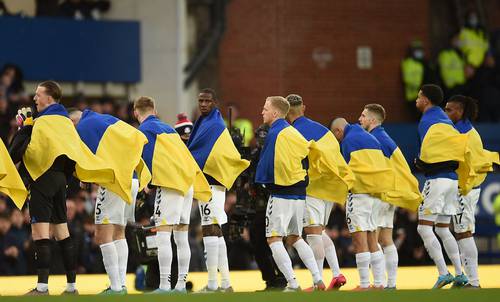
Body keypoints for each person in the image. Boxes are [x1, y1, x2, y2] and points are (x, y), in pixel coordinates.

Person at [9, 80, 114, 295]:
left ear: (49, 98)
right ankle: (72, 286)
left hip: (42, 179)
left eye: (38, 95)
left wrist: (24, 127)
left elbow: (18, 153)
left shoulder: (41, 123)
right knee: (62, 233)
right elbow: (73, 155)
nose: (34, 99)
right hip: (60, 182)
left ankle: (42, 286)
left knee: (40, 234)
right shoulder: (66, 123)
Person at [70, 108, 151, 294]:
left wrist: (84, 176)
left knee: (102, 234)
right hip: (131, 178)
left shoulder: (84, 126)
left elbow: (87, 158)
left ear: (73, 121)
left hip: (115, 182)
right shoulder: (104, 119)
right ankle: (120, 284)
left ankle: (115, 287)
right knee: (119, 232)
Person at [134, 96, 211, 293]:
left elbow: (148, 155)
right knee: (181, 236)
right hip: (187, 183)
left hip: (169, 184)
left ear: (136, 113)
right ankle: (180, 286)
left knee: (163, 234)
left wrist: (149, 183)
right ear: (155, 110)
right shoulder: (168, 128)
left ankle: (164, 285)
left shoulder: (144, 130)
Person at [256, 96, 325, 292]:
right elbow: (306, 156)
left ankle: (293, 283)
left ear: (275, 113)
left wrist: (263, 183)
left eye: (265, 108)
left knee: (273, 239)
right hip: (299, 194)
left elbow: (268, 165)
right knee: (295, 237)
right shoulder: (293, 132)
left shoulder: (275, 133)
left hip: (281, 194)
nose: (262, 112)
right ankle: (317, 278)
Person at [286, 94, 354, 290]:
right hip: (330, 188)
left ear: (286, 112)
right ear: (304, 108)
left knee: (313, 234)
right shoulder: (322, 129)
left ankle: (318, 283)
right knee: (320, 232)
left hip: (312, 188)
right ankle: (336, 273)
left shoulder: (292, 132)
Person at [187, 88, 249, 292]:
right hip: (213, 183)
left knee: (209, 229)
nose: (203, 104)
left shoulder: (213, 124)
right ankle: (226, 283)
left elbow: (199, 153)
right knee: (216, 231)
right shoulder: (205, 122)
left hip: (211, 184)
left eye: (207, 101)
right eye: (200, 101)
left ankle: (213, 284)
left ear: (215, 103)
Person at [358, 104, 423, 289]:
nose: (360, 119)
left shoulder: (373, 140)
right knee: (386, 240)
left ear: (372, 120)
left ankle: (378, 283)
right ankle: (391, 283)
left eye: (363, 116)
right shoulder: (385, 137)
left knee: (373, 238)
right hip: (390, 195)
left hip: (380, 194)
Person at [414, 84, 468, 288]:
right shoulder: (446, 120)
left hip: (436, 180)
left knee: (423, 228)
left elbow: (429, 152)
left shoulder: (427, 120)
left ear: (426, 100)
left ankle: (443, 272)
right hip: (452, 181)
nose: (416, 100)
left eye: (419, 97)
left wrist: (420, 162)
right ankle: (460, 273)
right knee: (444, 229)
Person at [330, 117, 394, 290]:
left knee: (359, 240)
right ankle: (379, 283)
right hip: (376, 195)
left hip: (359, 195)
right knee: (373, 239)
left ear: (338, 131)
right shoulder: (370, 137)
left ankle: (365, 284)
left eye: (336, 137)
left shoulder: (348, 141)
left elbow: (346, 171)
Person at [444, 95, 499, 288]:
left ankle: (473, 282)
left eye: (449, 110)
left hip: (465, 189)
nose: (446, 113)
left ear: (460, 111)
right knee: (461, 232)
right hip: (465, 188)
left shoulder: (464, 134)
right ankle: (466, 278)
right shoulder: (464, 130)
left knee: (464, 233)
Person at [401, 40, 435, 120]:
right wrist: (420, 87)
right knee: (416, 117)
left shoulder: (424, 63)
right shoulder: (408, 63)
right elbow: (407, 79)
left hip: (425, 95)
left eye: (420, 49)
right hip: (413, 96)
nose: (418, 52)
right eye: (416, 50)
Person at [438, 33, 467, 98]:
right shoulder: (445, 54)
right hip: (451, 88)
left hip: (461, 85)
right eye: (456, 39)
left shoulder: (460, 53)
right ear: (451, 41)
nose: (459, 41)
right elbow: (444, 71)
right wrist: (449, 85)